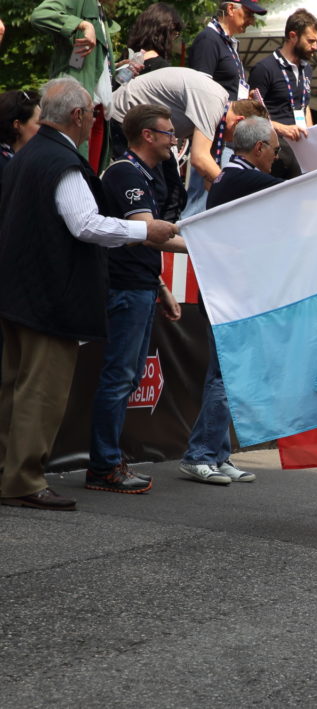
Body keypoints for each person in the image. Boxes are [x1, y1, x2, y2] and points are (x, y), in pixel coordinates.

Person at [0, 78, 176, 511]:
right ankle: (23, 480)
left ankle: (9, 473)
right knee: (41, 392)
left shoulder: (24, 157)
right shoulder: (63, 162)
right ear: (78, 116)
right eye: (92, 114)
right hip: (50, 299)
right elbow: (86, 224)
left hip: (17, 294)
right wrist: (143, 230)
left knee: (12, 389)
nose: (94, 121)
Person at [87, 103, 188, 494]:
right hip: (125, 288)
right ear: (148, 135)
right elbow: (147, 232)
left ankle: (108, 459)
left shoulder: (143, 173)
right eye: (168, 133)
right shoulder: (125, 172)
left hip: (140, 286)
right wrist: (206, 246)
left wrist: (160, 286)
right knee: (118, 378)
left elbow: (146, 240)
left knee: (125, 379)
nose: (173, 141)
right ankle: (103, 465)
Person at [179, 116, 283, 486]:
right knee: (225, 374)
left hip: (229, 288)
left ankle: (216, 453)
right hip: (228, 291)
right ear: (258, 148)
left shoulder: (232, 176)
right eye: (275, 148)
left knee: (224, 374)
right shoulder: (241, 177)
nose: (276, 155)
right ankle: (201, 454)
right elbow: (301, 191)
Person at [110, 67, 268, 215]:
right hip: (125, 119)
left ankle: (167, 239)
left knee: (176, 195)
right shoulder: (213, 101)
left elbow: (209, 179)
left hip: (155, 133)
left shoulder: (221, 111)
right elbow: (200, 159)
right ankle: (153, 237)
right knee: (158, 192)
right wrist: (239, 195)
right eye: (243, 136)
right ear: (239, 121)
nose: (238, 142)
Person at [31, 0, 119, 171]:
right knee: (75, 170)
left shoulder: (99, 9)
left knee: (91, 176)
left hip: (97, 111)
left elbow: (96, 67)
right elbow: (39, 15)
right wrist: (82, 24)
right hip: (76, 111)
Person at [248, 8, 317, 179]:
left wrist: (311, 136)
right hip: (273, 153)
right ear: (293, 36)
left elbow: (304, 105)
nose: (315, 47)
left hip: (300, 154)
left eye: (316, 41)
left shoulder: (307, 69)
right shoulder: (265, 69)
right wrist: (282, 129)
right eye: (310, 41)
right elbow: (249, 114)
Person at [188, 0, 263, 99]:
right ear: (230, 9)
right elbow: (200, 93)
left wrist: (243, 99)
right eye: (248, 14)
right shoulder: (208, 39)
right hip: (216, 114)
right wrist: (228, 110)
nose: (252, 22)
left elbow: (227, 87)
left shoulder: (228, 42)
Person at [0, 90, 42, 199]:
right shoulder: (6, 166)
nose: (44, 129)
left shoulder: (21, 158)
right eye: (39, 123)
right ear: (17, 125)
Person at [124, 2, 184, 76]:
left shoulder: (125, 59)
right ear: (164, 34)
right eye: (174, 34)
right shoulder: (161, 68)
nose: (173, 39)